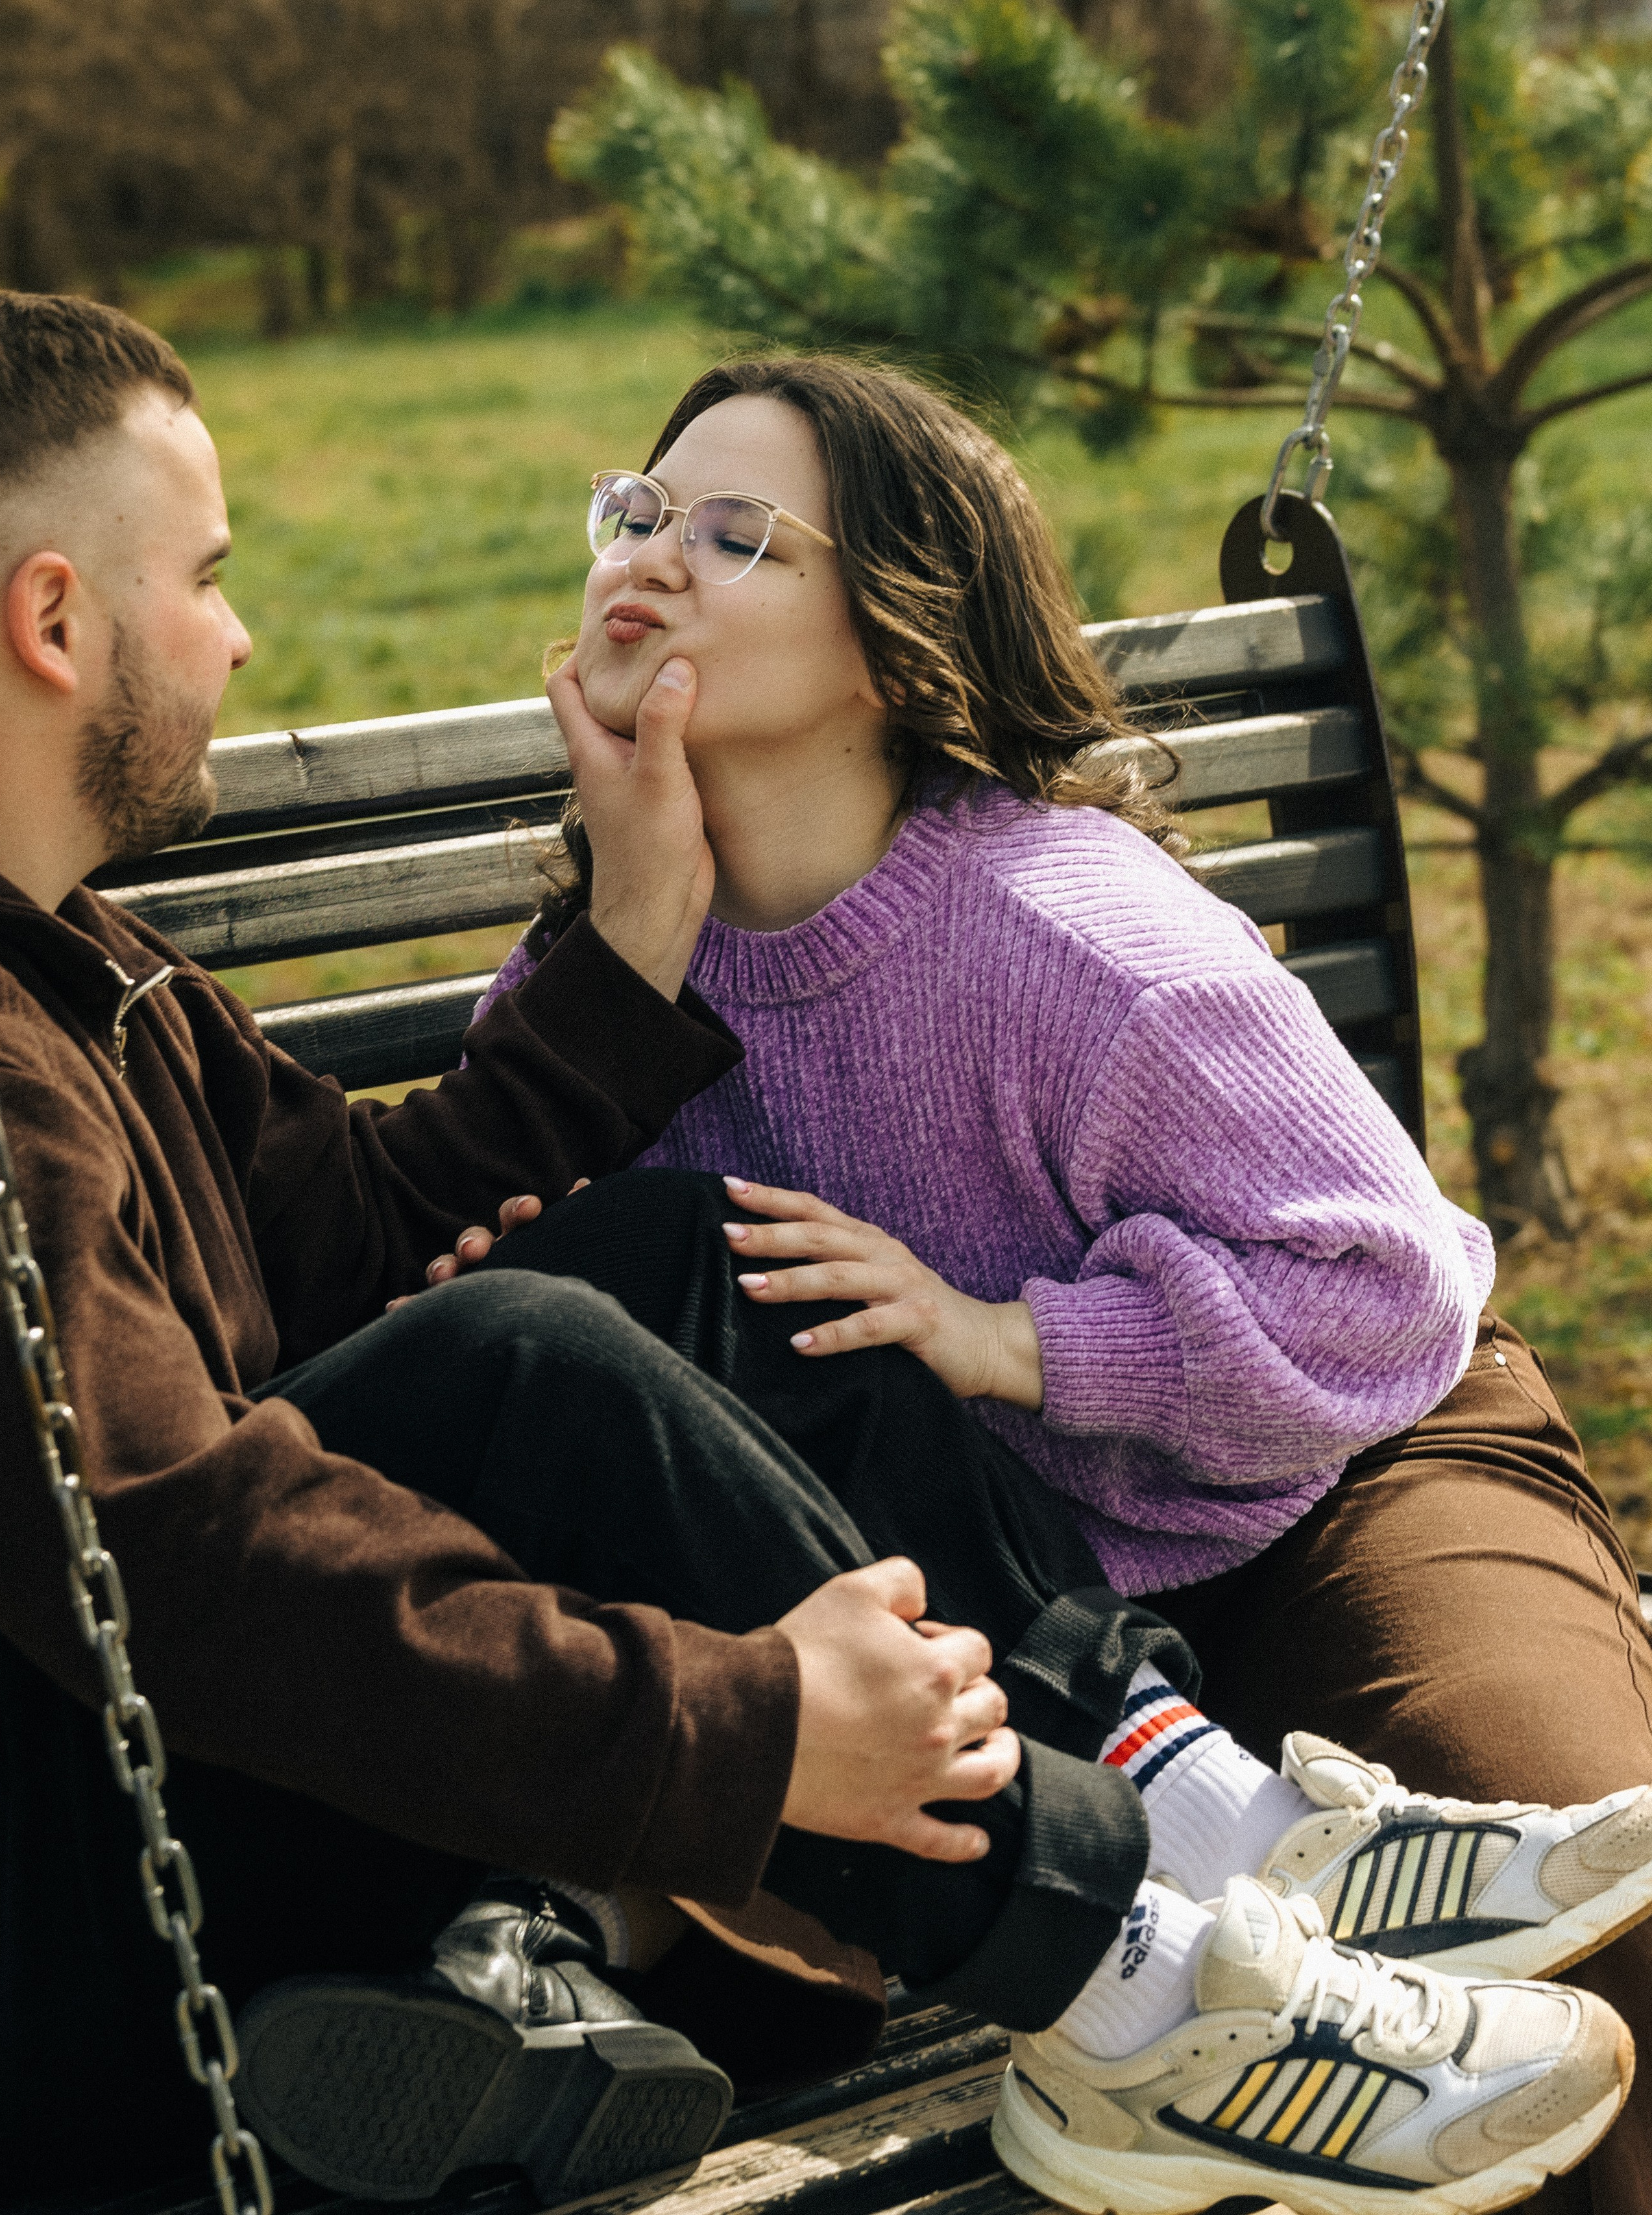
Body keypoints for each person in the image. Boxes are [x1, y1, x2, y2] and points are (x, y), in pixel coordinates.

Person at [470, 354, 1652, 2215]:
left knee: (1588, 1966)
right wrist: (626, 935)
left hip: (1337, 1475)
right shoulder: (588, 999)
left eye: (734, 534)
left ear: (890, 635)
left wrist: (1016, 1336)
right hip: (1006, 1621)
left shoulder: (1063, 932)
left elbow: (1386, 1297)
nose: (653, 561)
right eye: (635, 512)